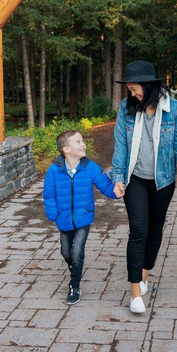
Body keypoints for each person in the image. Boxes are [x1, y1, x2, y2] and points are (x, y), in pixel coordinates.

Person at [111, 60, 177, 314]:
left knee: (155, 230)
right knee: (138, 231)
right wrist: (118, 177)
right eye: (130, 89)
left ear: (148, 86)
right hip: (135, 179)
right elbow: (121, 146)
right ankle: (135, 291)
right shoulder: (126, 108)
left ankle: (144, 274)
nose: (132, 93)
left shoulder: (174, 110)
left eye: (135, 88)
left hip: (163, 181)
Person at [43, 130, 117, 306]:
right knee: (66, 252)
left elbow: (105, 185)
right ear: (66, 149)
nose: (83, 144)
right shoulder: (54, 170)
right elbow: (49, 195)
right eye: (78, 142)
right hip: (63, 218)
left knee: (77, 252)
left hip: (83, 217)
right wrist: (54, 214)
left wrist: (116, 192)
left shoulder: (90, 167)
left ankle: (74, 285)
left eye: (82, 141)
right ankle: (74, 267)